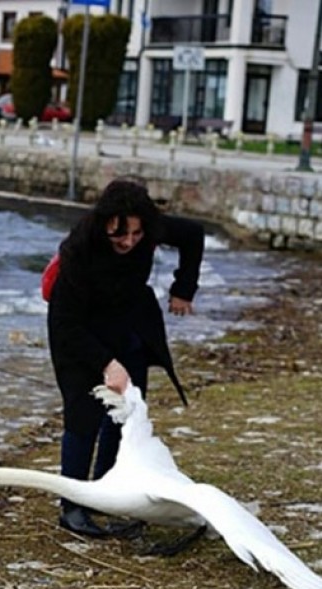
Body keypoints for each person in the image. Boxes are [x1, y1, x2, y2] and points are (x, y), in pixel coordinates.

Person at [46, 178, 204, 537]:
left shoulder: (148, 228)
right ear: (105, 224)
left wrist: (184, 288)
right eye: (120, 234)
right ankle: (72, 507)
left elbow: (193, 234)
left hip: (129, 325)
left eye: (136, 234)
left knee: (126, 415)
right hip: (78, 334)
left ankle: (109, 493)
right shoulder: (79, 250)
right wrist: (106, 364)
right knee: (83, 417)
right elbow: (66, 323)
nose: (129, 241)